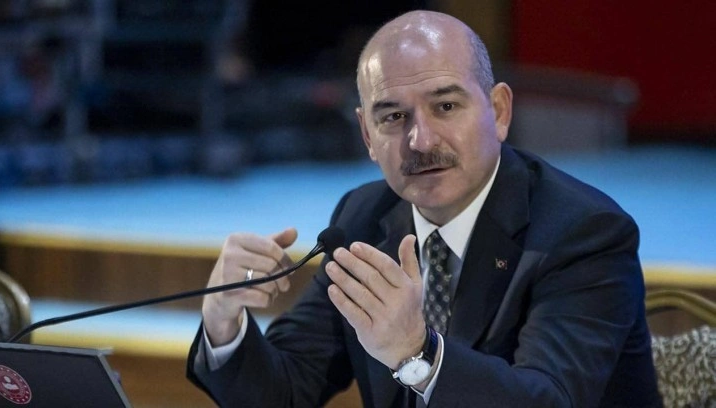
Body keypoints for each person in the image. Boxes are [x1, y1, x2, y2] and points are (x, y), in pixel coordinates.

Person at [187, 10, 662, 407]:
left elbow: (550, 400)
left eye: (446, 107)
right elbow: (288, 390)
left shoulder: (583, 232)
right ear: (367, 135)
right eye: (394, 117)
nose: (420, 140)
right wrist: (223, 324)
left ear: (498, 111)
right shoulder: (362, 219)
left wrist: (418, 354)